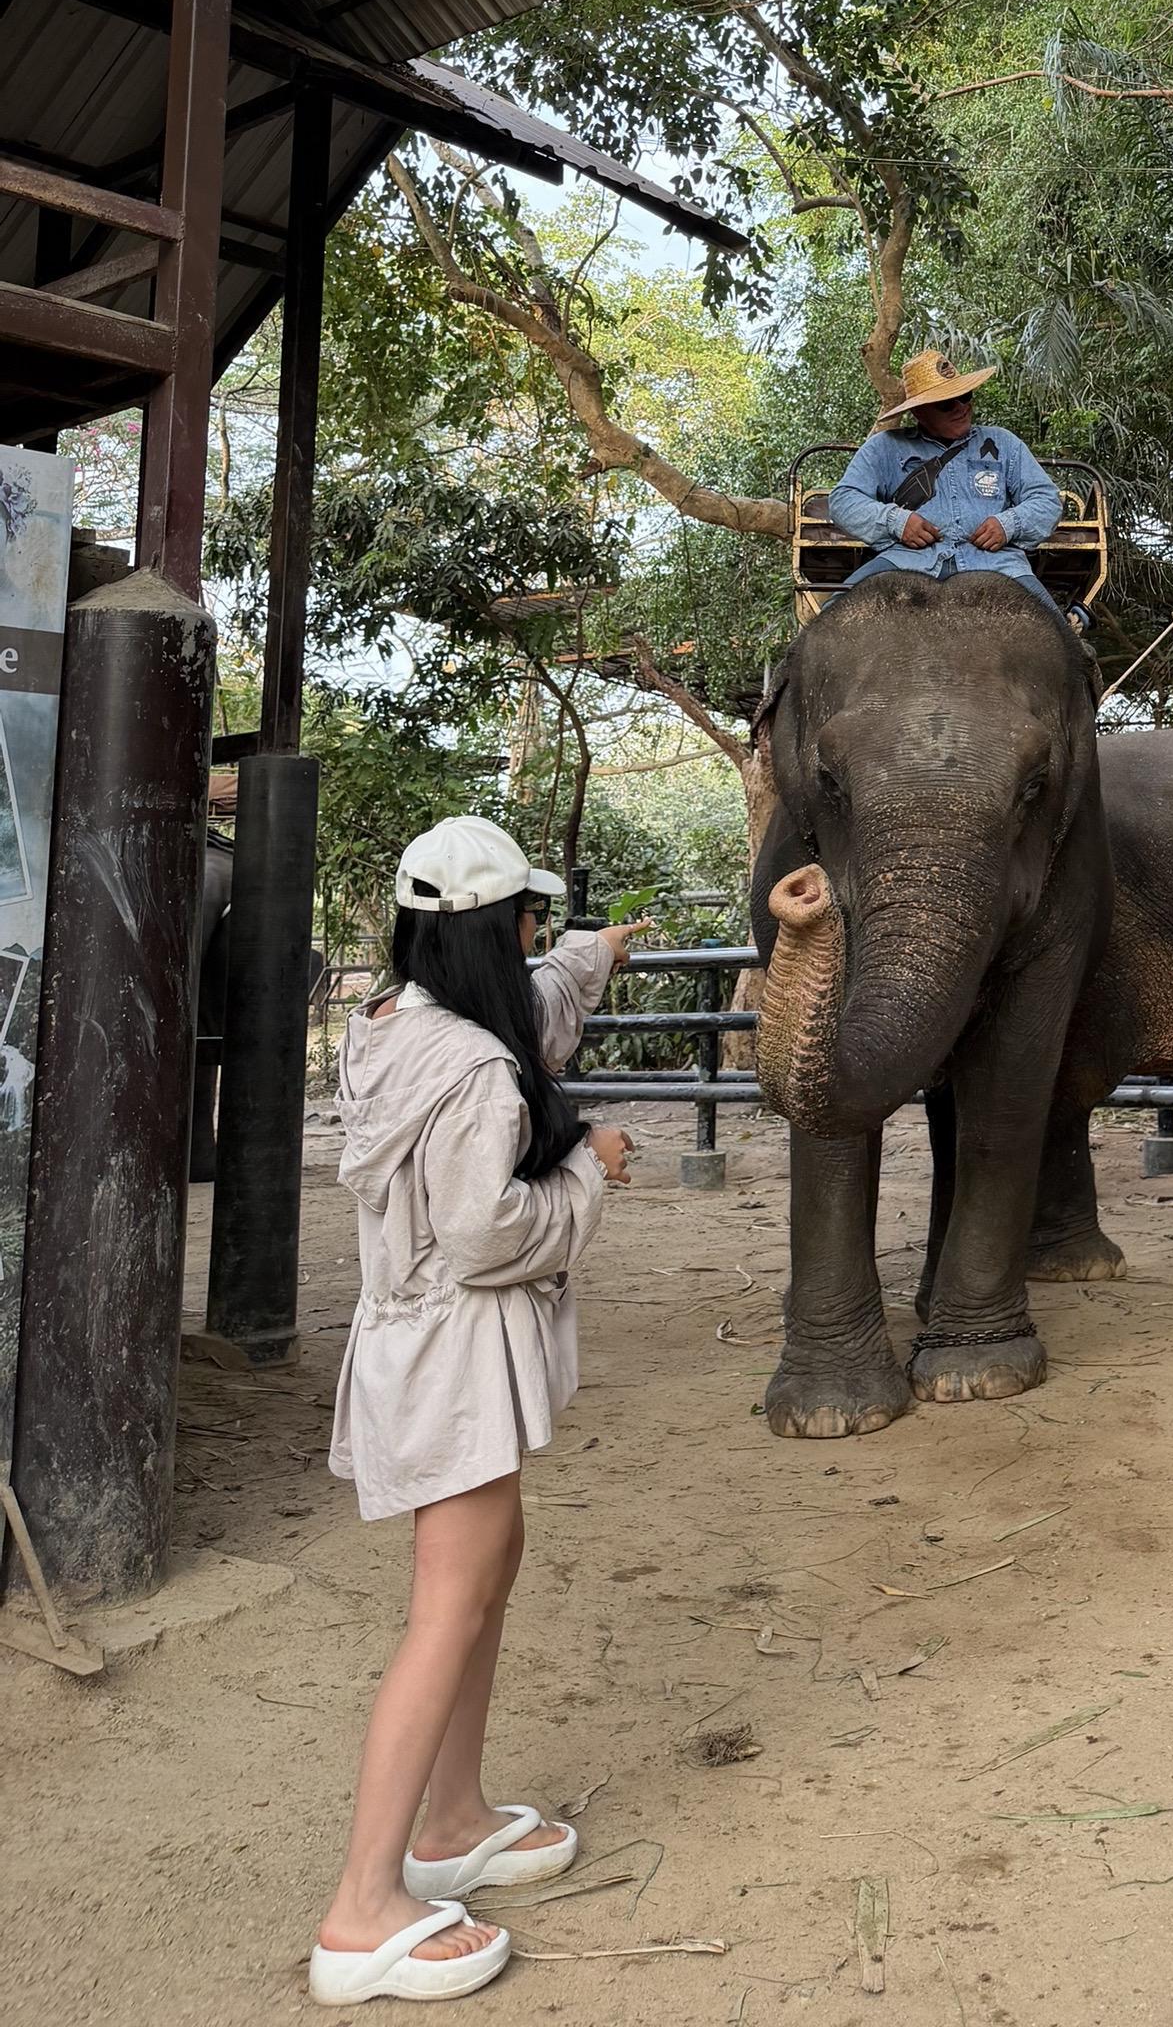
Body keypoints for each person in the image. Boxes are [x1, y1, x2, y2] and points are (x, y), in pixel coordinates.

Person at [310, 819, 646, 2007]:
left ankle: (451, 1820)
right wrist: (587, 1168)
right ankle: (362, 1910)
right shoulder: (477, 1072)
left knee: (496, 1557)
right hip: (451, 1353)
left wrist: (601, 950)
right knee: (447, 1605)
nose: (539, 940)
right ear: (496, 935)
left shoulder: (402, 1029)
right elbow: (484, 1233)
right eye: (531, 923)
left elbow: (537, 1001)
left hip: (425, 1346)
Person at [828, 347, 1066, 613]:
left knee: (1060, 637)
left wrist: (1008, 524)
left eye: (965, 396)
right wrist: (896, 521)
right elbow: (843, 500)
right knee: (831, 620)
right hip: (905, 561)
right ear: (919, 412)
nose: (961, 408)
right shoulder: (885, 447)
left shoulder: (1004, 442)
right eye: (946, 403)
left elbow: (1047, 500)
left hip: (999, 564)